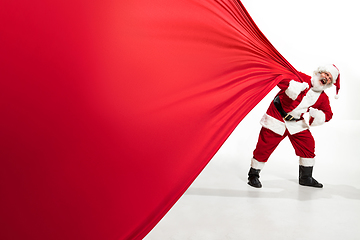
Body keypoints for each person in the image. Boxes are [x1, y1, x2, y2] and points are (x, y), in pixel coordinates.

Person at [248, 64, 340, 188]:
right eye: (326, 74)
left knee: (307, 144)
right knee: (265, 146)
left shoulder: (323, 97)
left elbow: (328, 114)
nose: (326, 78)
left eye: (329, 78)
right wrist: (294, 86)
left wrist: (317, 114)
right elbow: (280, 77)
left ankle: (305, 178)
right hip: (277, 116)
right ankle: (253, 175)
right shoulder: (301, 77)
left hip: (295, 122)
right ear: (320, 72)